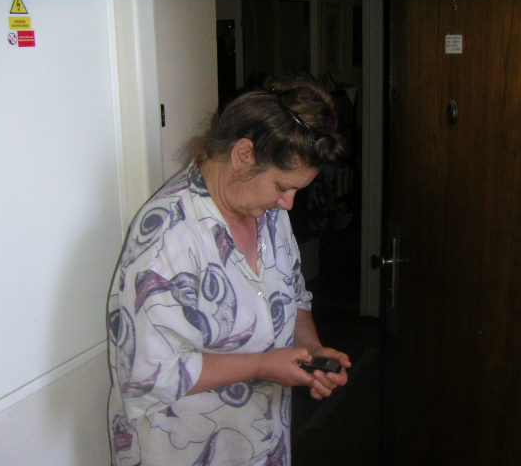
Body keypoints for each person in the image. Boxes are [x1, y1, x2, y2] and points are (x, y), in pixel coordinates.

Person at [107, 74, 352, 466]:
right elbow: (147, 373)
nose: (289, 204)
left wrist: (311, 351)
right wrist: (261, 366)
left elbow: (293, 296)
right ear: (243, 155)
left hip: (260, 442)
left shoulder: (269, 214)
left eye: (296, 190)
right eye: (282, 186)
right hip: (183, 451)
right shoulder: (169, 236)